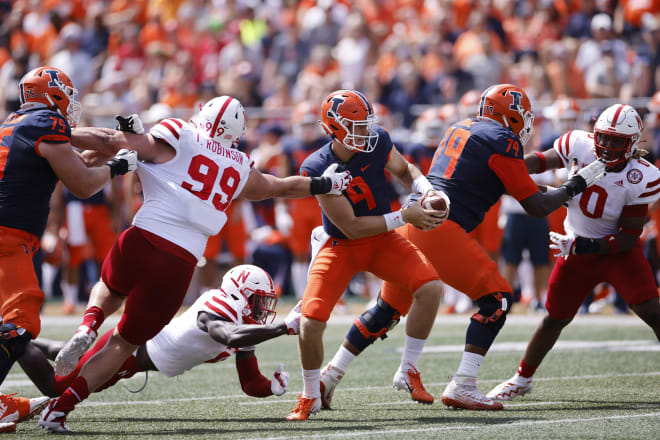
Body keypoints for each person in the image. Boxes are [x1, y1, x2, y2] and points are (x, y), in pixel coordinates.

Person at [38, 95, 352, 433]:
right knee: (123, 345)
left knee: (110, 287)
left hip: (142, 237)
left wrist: (56, 130)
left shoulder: (181, 132)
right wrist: (325, 183)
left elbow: (109, 141)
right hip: (179, 262)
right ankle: (59, 410)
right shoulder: (240, 163)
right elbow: (278, 187)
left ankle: (88, 323)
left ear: (205, 114)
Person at [319, 84, 607, 411]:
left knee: (387, 309)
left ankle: (329, 376)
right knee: (496, 299)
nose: (523, 124)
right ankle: (463, 384)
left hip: (417, 219)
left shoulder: (465, 127)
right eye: (521, 116)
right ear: (509, 115)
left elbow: (512, 176)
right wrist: (580, 181)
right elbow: (537, 206)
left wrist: (563, 186)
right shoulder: (502, 140)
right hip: (442, 226)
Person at [286, 89, 448, 421]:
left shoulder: (376, 140)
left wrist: (426, 189)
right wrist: (406, 215)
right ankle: (310, 394)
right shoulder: (316, 166)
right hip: (342, 246)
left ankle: (408, 368)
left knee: (431, 288)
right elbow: (351, 227)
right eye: (355, 126)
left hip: (382, 239)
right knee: (311, 322)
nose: (364, 132)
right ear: (332, 127)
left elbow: (404, 169)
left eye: (365, 125)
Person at [488, 104, 660, 401]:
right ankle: (522, 379)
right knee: (554, 319)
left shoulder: (640, 176)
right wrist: (509, 168)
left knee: (652, 311)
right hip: (576, 251)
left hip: (615, 252)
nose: (606, 146)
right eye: (603, 138)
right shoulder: (579, 144)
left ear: (632, 143)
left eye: (616, 141)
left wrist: (584, 246)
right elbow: (541, 162)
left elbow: (629, 238)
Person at [0, 66, 136, 432]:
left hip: (7, 233)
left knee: (11, 326)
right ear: (53, 94)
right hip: (8, 237)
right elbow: (83, 184)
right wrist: (120, 166)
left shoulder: (17, 122)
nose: (70, 105)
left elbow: (78, 161)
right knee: (17, 324)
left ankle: (53, 391)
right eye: (68, 96)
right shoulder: (45, 121)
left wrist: (114, 151)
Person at [23, 266, 300, 404]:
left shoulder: (242, 323)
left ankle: (20, 337)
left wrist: (271, 388)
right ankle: (12, 339)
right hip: (128, 352)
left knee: (69, 354)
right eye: (259, 300)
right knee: (54, 389)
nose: (263, 309)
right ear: (241, 293)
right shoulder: (222, 310)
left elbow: (250, 382)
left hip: (134, 353)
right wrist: (282, 327)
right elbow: (229, 335)